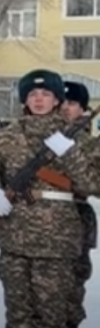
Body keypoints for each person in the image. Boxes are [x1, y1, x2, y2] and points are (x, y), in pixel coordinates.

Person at [0, 70, 100, 328]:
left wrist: (70, 153)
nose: (39, 99)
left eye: (46, 94)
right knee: (17, 315)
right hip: (14, 234)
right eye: (32, 94)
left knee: (52, 315)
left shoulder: (80, 140)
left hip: (56, 239)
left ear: (57, 99)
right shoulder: (6, 135)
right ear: (24, 99)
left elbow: (93, 184)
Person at [61, 80, 97, 328]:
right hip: (33, 224)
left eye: (72, 103)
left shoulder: (92, 145)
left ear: (83, 109)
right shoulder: (35, 137)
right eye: (61, 102)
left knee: (70, 289)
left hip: (75, 217)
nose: (65, 108)